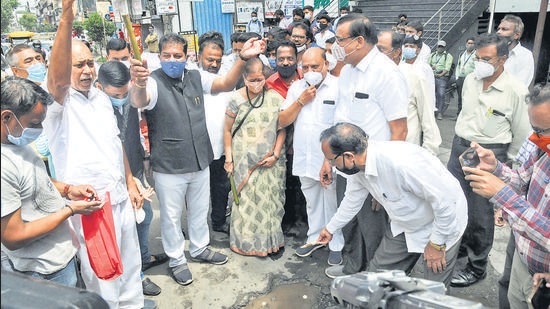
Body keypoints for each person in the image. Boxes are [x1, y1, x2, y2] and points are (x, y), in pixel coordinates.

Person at [129, 32, 265, 286]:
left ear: (186, 56)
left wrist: (242, 58)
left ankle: (200, 248)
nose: (172, 60)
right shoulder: (152, 81)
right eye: (166, 55)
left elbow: (224, 84)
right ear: (159, 57)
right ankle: (177, 259)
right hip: (169, 166)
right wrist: (137, 82)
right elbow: (140, 100)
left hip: (199, 160)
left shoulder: (195, 76)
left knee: (200, 210)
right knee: (170, 216)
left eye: (177, 55)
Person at [43, 0, 146, 306]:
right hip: (91, 206)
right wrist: (66, 18)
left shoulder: (101, 99)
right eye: (79, 65)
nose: (87, 70)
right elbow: (58, 80)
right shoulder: (57, 105)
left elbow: (116, 145)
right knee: (103, 278)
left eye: (90, 63)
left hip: (120, 198)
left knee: (130, 270)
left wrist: (130, 182)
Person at [317, 122, 467, 287]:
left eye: (331, 161)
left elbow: (446, 203)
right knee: (377, 280)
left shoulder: (401, 164)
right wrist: (330, 228)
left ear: (349, 156)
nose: (331, 166)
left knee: (431, 294)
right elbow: (352, 201)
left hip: (442, 225)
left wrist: (437, 245)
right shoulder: (358, 168)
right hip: (405, 224)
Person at [322, 14, 408, 279]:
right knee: (349, 223)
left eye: (339, 40)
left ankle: (371, 283)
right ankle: (351, 270)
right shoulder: (346, 71)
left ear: (359, 41)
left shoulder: (387, 74)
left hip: (373, 169)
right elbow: (339, 119)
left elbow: (400, 130)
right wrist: (328, 160)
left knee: (372, 231)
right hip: (344, 163)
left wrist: (386, 181)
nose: (335, 45)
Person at [1, 77, 103, 287]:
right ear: (7, 117)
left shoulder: (15, 141)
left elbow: (34, 178)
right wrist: (70, 210)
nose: (39, 130)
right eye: (35, 123)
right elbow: (13, 236)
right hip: (38, 271)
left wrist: (68, 189)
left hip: (59, 259)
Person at [448, 33, 531, 288]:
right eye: (477, 57)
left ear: (503, 59)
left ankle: (477, 266)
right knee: (455, 203)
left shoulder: (516, 90)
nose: (480, 63)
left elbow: (521, 134)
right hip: (459, 147)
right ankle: (458, 254)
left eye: (487, 59)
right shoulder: (471, 81)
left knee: (480, 214)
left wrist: (513, 172)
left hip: (489, 153)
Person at [463, 84, 549, 309]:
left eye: (541, 130)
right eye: (534, 128)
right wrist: (496, 169)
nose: (534, 137)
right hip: (523, 255)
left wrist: (503, 195)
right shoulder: (543, 148)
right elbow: (522, 181)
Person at [95, 61, 165, 298]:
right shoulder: (94, 110)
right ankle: (136, 277)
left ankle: (143, 261)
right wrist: (127, 182)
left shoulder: (130, 98)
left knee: (144, 218)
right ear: (99, 87)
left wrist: (141, 168)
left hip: (134, 167)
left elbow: (138, 113)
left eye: (125, 92)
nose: (121, 98)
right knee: (125, 229)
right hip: (113, 177)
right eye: (116, 95)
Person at [278, 47, 344, 265]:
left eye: (314, 66)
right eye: (305, 67)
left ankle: (336, 244)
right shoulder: (297, 87)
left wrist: (330, 159)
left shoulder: (338, 87)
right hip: (305, 157)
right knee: (312, 202)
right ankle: (314, 238)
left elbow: (341, 126)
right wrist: (300, 101)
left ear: (326, 64)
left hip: (330, 159)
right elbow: (282, 120)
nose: (309, 71)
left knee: (332, 202)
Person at [223, 58, 286, 257]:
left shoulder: (275, 98)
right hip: (244, 159)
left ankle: (271, 242)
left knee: (271, 199)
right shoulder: (236, 99)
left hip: (271, 160)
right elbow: (227, 130)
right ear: (244, 78)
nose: (257, 84)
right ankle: (246, 243)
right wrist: (229, 159)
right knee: (245, 202)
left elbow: (282, 129)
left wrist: (275, 154)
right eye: (252, 80)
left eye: (260, 79)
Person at [378, 30, 441, 156]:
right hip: (378, 149)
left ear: (396, 52)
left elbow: (427, 117)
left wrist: (429, 153)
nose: (377, 55)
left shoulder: (414, 76)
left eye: (381, 50)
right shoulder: (374, 75)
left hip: (405, 149)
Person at [197, 31, 231, 234]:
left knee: (221, 188)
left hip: (221, 145)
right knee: (197, 192)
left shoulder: (227, 80)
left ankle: (218, 222)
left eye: (217, 60)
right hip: (198, 147)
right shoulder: (190, 79)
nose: (213, 64)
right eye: (209, 59)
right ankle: (197, 228)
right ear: (198, 56)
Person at [401, 35, 436, 115]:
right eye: (406, 46)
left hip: (417, 109)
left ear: (418, 50)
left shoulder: (424, 68)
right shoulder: (399, 66)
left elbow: (430, 90)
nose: (408, 48)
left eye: (412, 46)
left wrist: (430, 110)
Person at [496, 14, 534, 87]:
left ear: (516, 35)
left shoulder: (525, 55)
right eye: (499, 29)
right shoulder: (492, 52)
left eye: (504, 29)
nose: (498, 32)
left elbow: (520, 86)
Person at [428, 40, 453, 120]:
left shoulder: (448, 56)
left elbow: (447, 68)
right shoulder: (432, 55)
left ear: (444, 48)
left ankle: (439, 113)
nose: (440, 48)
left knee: (441, 95)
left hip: (442, 77)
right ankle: (430, 112)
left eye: (442, 47)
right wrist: (431, 68)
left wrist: (440, 74)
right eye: (439, 46)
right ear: (437, 46)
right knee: (430, 95)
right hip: (432, 76)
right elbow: (427, 65)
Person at [455, 37, 476, 115]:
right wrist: (457, 77)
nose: (470, 45)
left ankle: (466, 115)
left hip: (470, 79)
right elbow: (458, 66)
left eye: (472, 43)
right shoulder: (462, 54)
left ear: (474, 45)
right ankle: (459, 114)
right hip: (460, 79)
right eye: (468, 43)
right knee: (460, 98)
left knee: (468, 98)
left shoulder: (476, 55)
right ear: (466, 44)